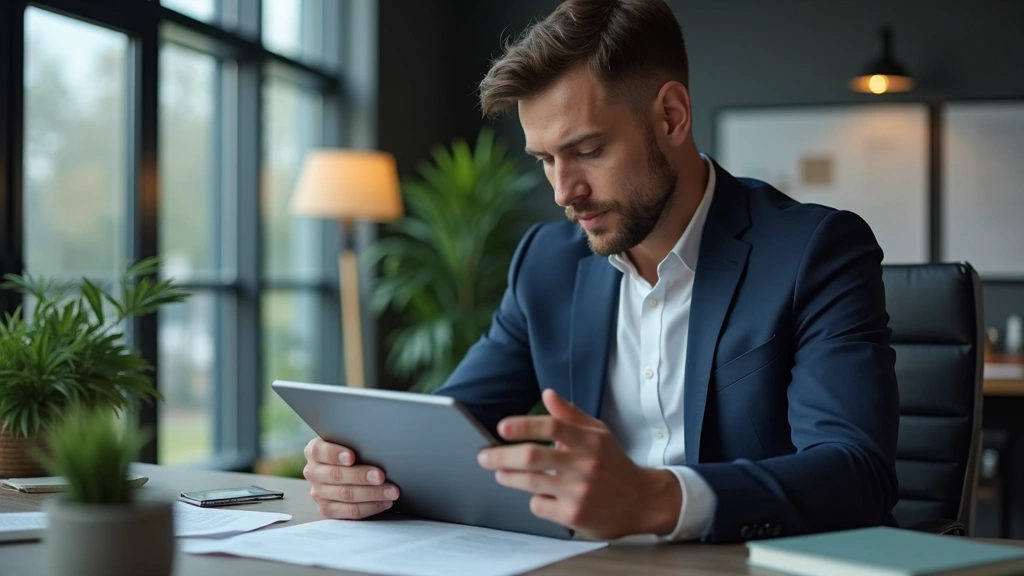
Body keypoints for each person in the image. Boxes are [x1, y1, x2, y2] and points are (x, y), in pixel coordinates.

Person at [302, 0, 899, 544]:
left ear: (671, 116)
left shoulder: (814, 251)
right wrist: (363, 472)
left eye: (588, 150)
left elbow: (857, 474)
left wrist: (656, 499)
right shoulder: (545, 264)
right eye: (545, 159)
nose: (564, 192)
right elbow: (446, 431)